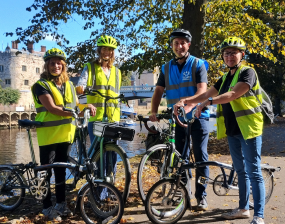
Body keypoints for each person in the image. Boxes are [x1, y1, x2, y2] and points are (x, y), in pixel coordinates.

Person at [174, 36, 265, 224]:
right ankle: (243, 208)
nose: (229, 56)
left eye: (233, 53)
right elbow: (207, 93)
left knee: (253, 171)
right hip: (233, 130)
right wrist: (186, 101)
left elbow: (233, 94)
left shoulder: (248, 72)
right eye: (226, 53)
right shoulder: (224, 78)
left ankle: (259, 215)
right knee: (240, 171)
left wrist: (209, 102)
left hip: (249, 129)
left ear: (242, 54)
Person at [31, 48, 96, 221]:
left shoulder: (69, 86)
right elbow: (52, 108)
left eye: (59, 63)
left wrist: (86, 108)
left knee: (61, 171)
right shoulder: (41, 85)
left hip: (66, 135)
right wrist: (75, 113)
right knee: (46, 172)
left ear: (63, 65)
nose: (56, 66)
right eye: (52, 63)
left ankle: (61, 203)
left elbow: (75, 108)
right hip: (48, 136)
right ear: (47, 65)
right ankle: (46, 207)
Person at [149, 28, 210, 211]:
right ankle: (182, 194)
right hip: (177, 119)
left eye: (183, 42)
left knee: (200, 157)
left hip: (199, 116)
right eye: (176, 43)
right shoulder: (166, 68)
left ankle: (201, 196)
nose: (179, 46)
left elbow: (202, 91)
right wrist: (153, 111)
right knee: (180, 159)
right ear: (172, 46)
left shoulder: (197, 64)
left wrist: (187, 103)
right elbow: (158, 91)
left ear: (188, 45)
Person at [76, 35, 121, 197]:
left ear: (113, 52)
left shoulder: (117, 71)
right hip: (97, 118)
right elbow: (79, 86)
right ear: (99, 50)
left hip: (114, 118)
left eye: (109, 49)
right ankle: (98, 193)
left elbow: (117, 94)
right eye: (104, 49)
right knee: (100, 157)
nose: (106, 52)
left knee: (113, 155)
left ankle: (110, 189)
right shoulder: (90, 67)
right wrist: (82, 93)